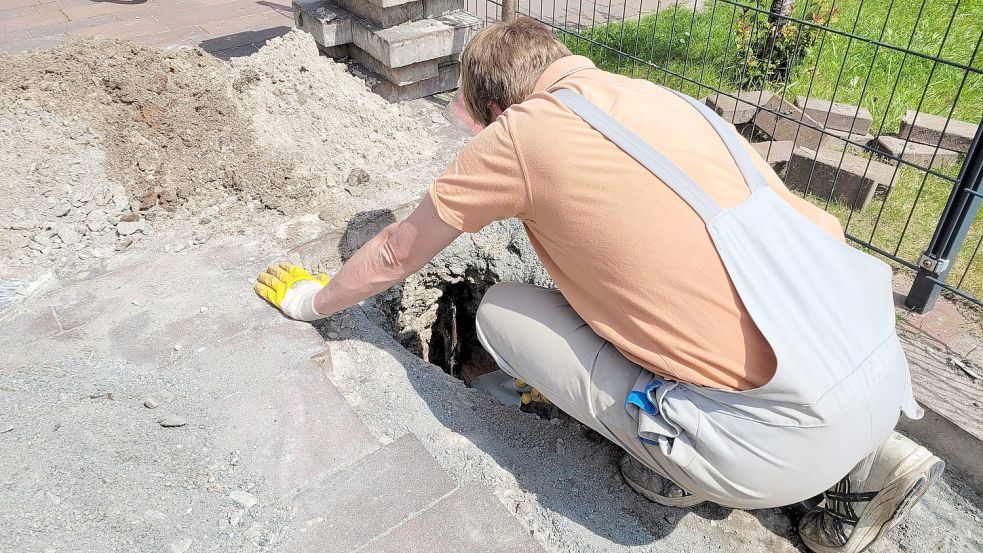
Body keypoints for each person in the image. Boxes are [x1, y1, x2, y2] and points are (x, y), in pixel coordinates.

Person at [255, 17, 943, 553]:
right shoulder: (664, 99)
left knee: (499, 310)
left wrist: (313, 300)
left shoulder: (522, 134)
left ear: (495, 110)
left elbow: (401, 248)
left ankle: (674, 463)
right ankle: (870, 453)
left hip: (768, 451)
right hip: (876, 368)